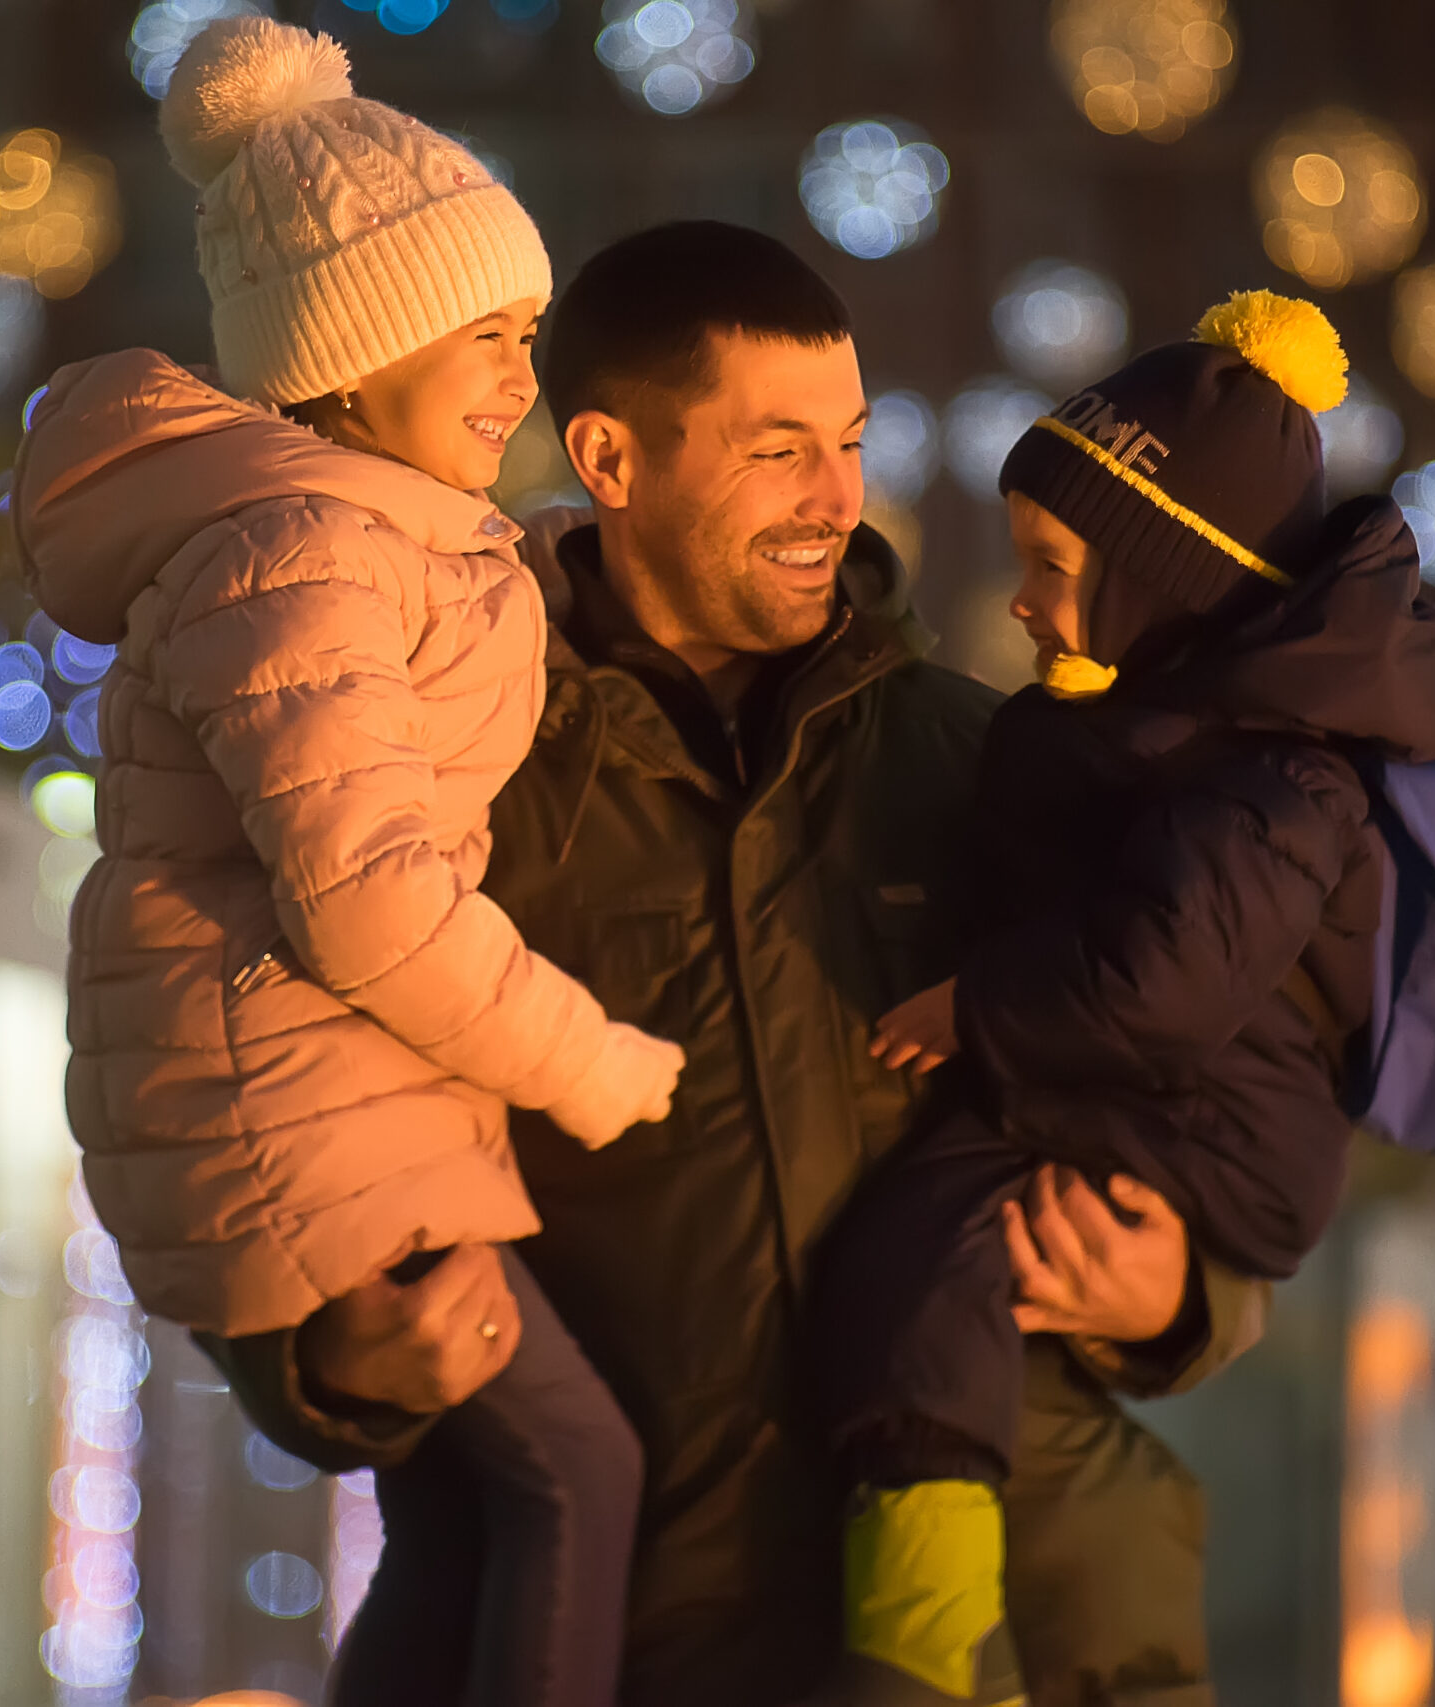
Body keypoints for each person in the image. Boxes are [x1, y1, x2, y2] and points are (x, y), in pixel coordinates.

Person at [198, 221, 1278, 1707]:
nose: (838, 499)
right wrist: (327, 1365)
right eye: (779, 451)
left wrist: (1182, 1286)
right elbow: (250, 1109)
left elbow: (1224, 1088)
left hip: (1016, 1643)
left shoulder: (994, 766)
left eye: (849, 440)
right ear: (611, 457)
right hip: (607, 1641)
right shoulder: (439, 792)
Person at [13, 20, 686, 1706]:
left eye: (528, 331)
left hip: (320, 1101)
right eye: (486, 334)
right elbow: (373, 905)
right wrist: (591, 1063)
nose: (523, 375)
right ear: (356, 343)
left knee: (467, 1523)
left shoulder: (349, 539)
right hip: (301, 1116)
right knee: (572, 1478)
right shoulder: (302, 557)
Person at [812, 294, 1435, 1702]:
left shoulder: (1272, 778)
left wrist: (978, 1011)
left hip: (1205, 1142)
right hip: (1159, 1111)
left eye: (1050, 568)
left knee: (928, 1247)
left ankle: (913, 1648)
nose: (1017, 601)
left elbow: (1164, 984)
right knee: (926, 1246)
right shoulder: (1158, 739)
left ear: (1161, 583)